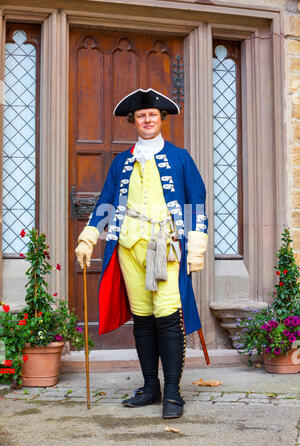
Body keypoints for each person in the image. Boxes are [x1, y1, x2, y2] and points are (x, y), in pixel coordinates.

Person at [75, 88, 208, 419]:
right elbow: (107, 201)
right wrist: (89, 237)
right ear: (133, 121)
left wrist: (197, 244)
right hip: (128, 246)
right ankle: (151, 387)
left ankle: (173, 392)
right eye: (140, 116)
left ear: (161, 119)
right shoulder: (122, 161)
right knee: (144, 320)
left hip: (165, 244)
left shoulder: (180, 157)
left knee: (167, 317)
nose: (147, 120)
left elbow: (196, 200)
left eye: (152, 115)